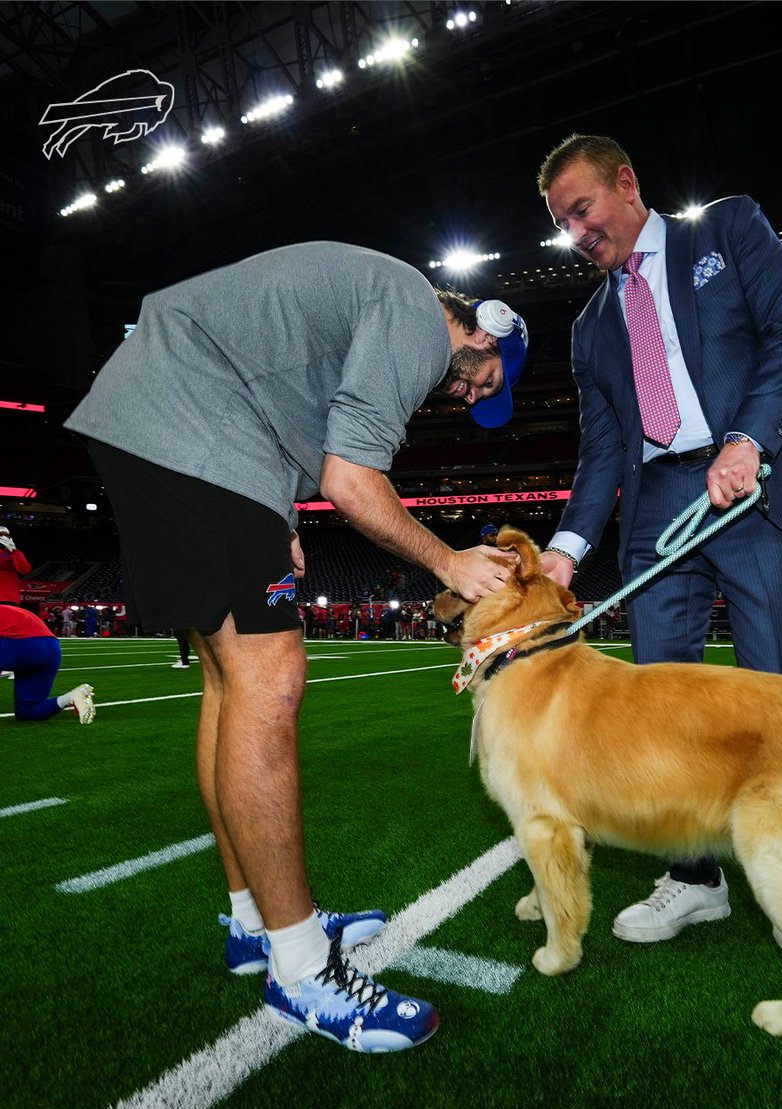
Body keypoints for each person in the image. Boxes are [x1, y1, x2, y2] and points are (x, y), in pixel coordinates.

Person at [64, 242, 529, 1054]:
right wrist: (449, 560)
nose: (460, 394)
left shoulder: (371, 301)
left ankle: (256, 923)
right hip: (186, 420)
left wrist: (275, 518)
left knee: (228, 681)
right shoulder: (418, 317)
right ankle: (304, 969)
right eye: (477, 380)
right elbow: (350, 481)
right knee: (271, 682)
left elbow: (276, 397)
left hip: (164, 412)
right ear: (483, 333)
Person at [536, 134, 782, 946]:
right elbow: (602, 451)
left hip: (754, 481)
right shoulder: (589, 327)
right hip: (660, 501)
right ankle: (694, 877)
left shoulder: (728, 230)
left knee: (776, 689)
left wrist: (749, 439)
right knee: (660, 705)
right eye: (563, 222)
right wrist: (565, 547)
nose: (576, 231)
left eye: (582, 209)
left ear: (626, 183)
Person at [0, 603, 95, 723]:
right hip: (52, 649)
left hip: (23, 645)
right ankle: (71, 697)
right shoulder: (13, 610)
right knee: (28, 712)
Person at [0, 525, 31, 605]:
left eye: (6, 535)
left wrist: (14, 551)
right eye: (1, 534)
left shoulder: (13, 553)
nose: (3, 537)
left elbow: (25, 569)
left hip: (8, 597)